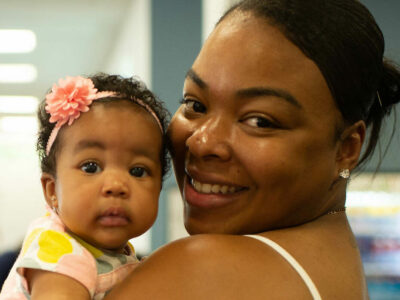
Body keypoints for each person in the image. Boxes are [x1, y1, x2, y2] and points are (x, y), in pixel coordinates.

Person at [103, 0, 400, 299]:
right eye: (195, 105)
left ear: (346, 149)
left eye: (259, 121)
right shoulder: (335, 263)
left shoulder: (202, 269)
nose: (201, 142)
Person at [0, 74, 170, 299]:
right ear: (52, 191)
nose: (116, 186)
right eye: (91, 167)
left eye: (137, 171)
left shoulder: (117, 255)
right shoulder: (57, 250)